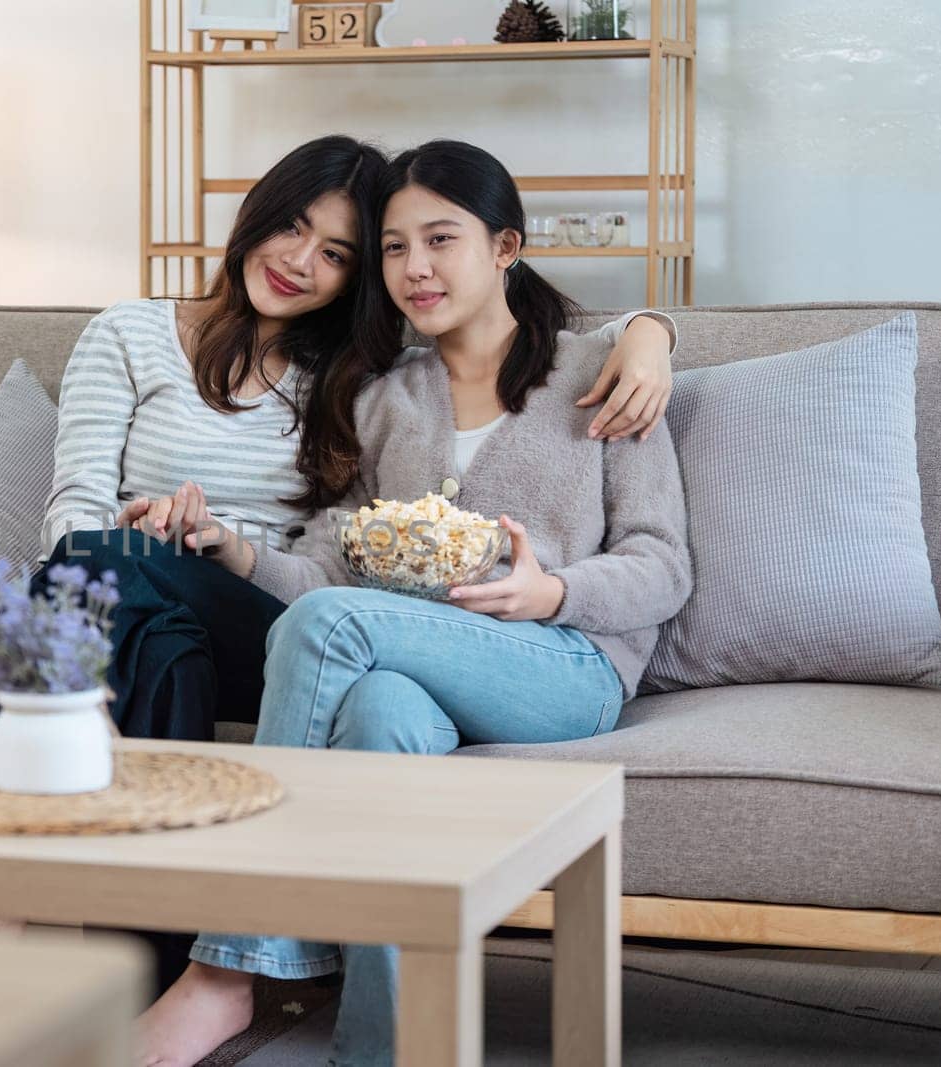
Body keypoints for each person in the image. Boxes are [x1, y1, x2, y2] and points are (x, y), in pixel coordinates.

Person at [135, 139, 693, 1067]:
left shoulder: (602, 370)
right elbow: (333, 572)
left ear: (506, 245)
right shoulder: (388, 399)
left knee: (325, 632)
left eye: (441, 239)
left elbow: (663, 565)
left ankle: (235, 964)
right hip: (417, 668)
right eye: (394, 248)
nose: (416, 268)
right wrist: (239, 555)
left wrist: (551, 590)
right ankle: (385, 1049)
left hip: (569, 663)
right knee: (379, 715)